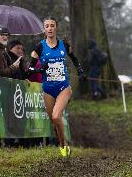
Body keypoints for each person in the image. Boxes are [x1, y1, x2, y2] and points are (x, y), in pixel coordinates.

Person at [29, 17, 86, 157]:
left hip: (63, 87)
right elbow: (29, 69)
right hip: (48, 89)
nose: (49, 28)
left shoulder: (64, 45)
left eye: (52, 25)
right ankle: (61, 143)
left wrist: (80, 71)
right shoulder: (39, 47)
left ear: (56, 28)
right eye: (47, 26)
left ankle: (64, 145)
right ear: (44, 29)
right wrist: (40, 69)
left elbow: (74, 58)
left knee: (56, 116)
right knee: (54, 122)